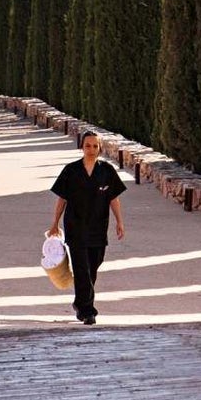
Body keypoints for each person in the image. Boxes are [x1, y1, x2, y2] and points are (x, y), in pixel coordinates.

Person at [48, 131, 126, 324]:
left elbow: (114, 199)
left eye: (95, 146)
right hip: (76, 227)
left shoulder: (107, 171)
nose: (91, 149)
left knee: (92, 268)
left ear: (100, 148)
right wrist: (55, 223)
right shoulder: (71, 171)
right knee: (82, 268)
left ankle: (80, 303)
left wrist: (119, 222)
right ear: (82, 147)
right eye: (87, 145)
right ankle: (88, 311)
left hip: (98, 227)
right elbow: (62, 199)